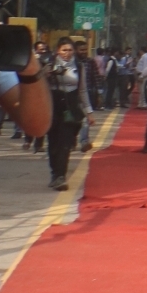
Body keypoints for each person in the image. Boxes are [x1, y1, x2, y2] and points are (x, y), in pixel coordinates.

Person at [43, 38, 91, 191]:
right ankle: (54, 174)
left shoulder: (79, 66)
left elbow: (83, 90)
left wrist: (89, 112)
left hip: (70, 109)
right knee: (53, 143)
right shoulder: (48, 65)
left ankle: (60, 176)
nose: (67, 53)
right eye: (64, 50)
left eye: (70, 50)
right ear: (58, 50)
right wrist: (46, 74)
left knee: (65, 143)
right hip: (52, 107)